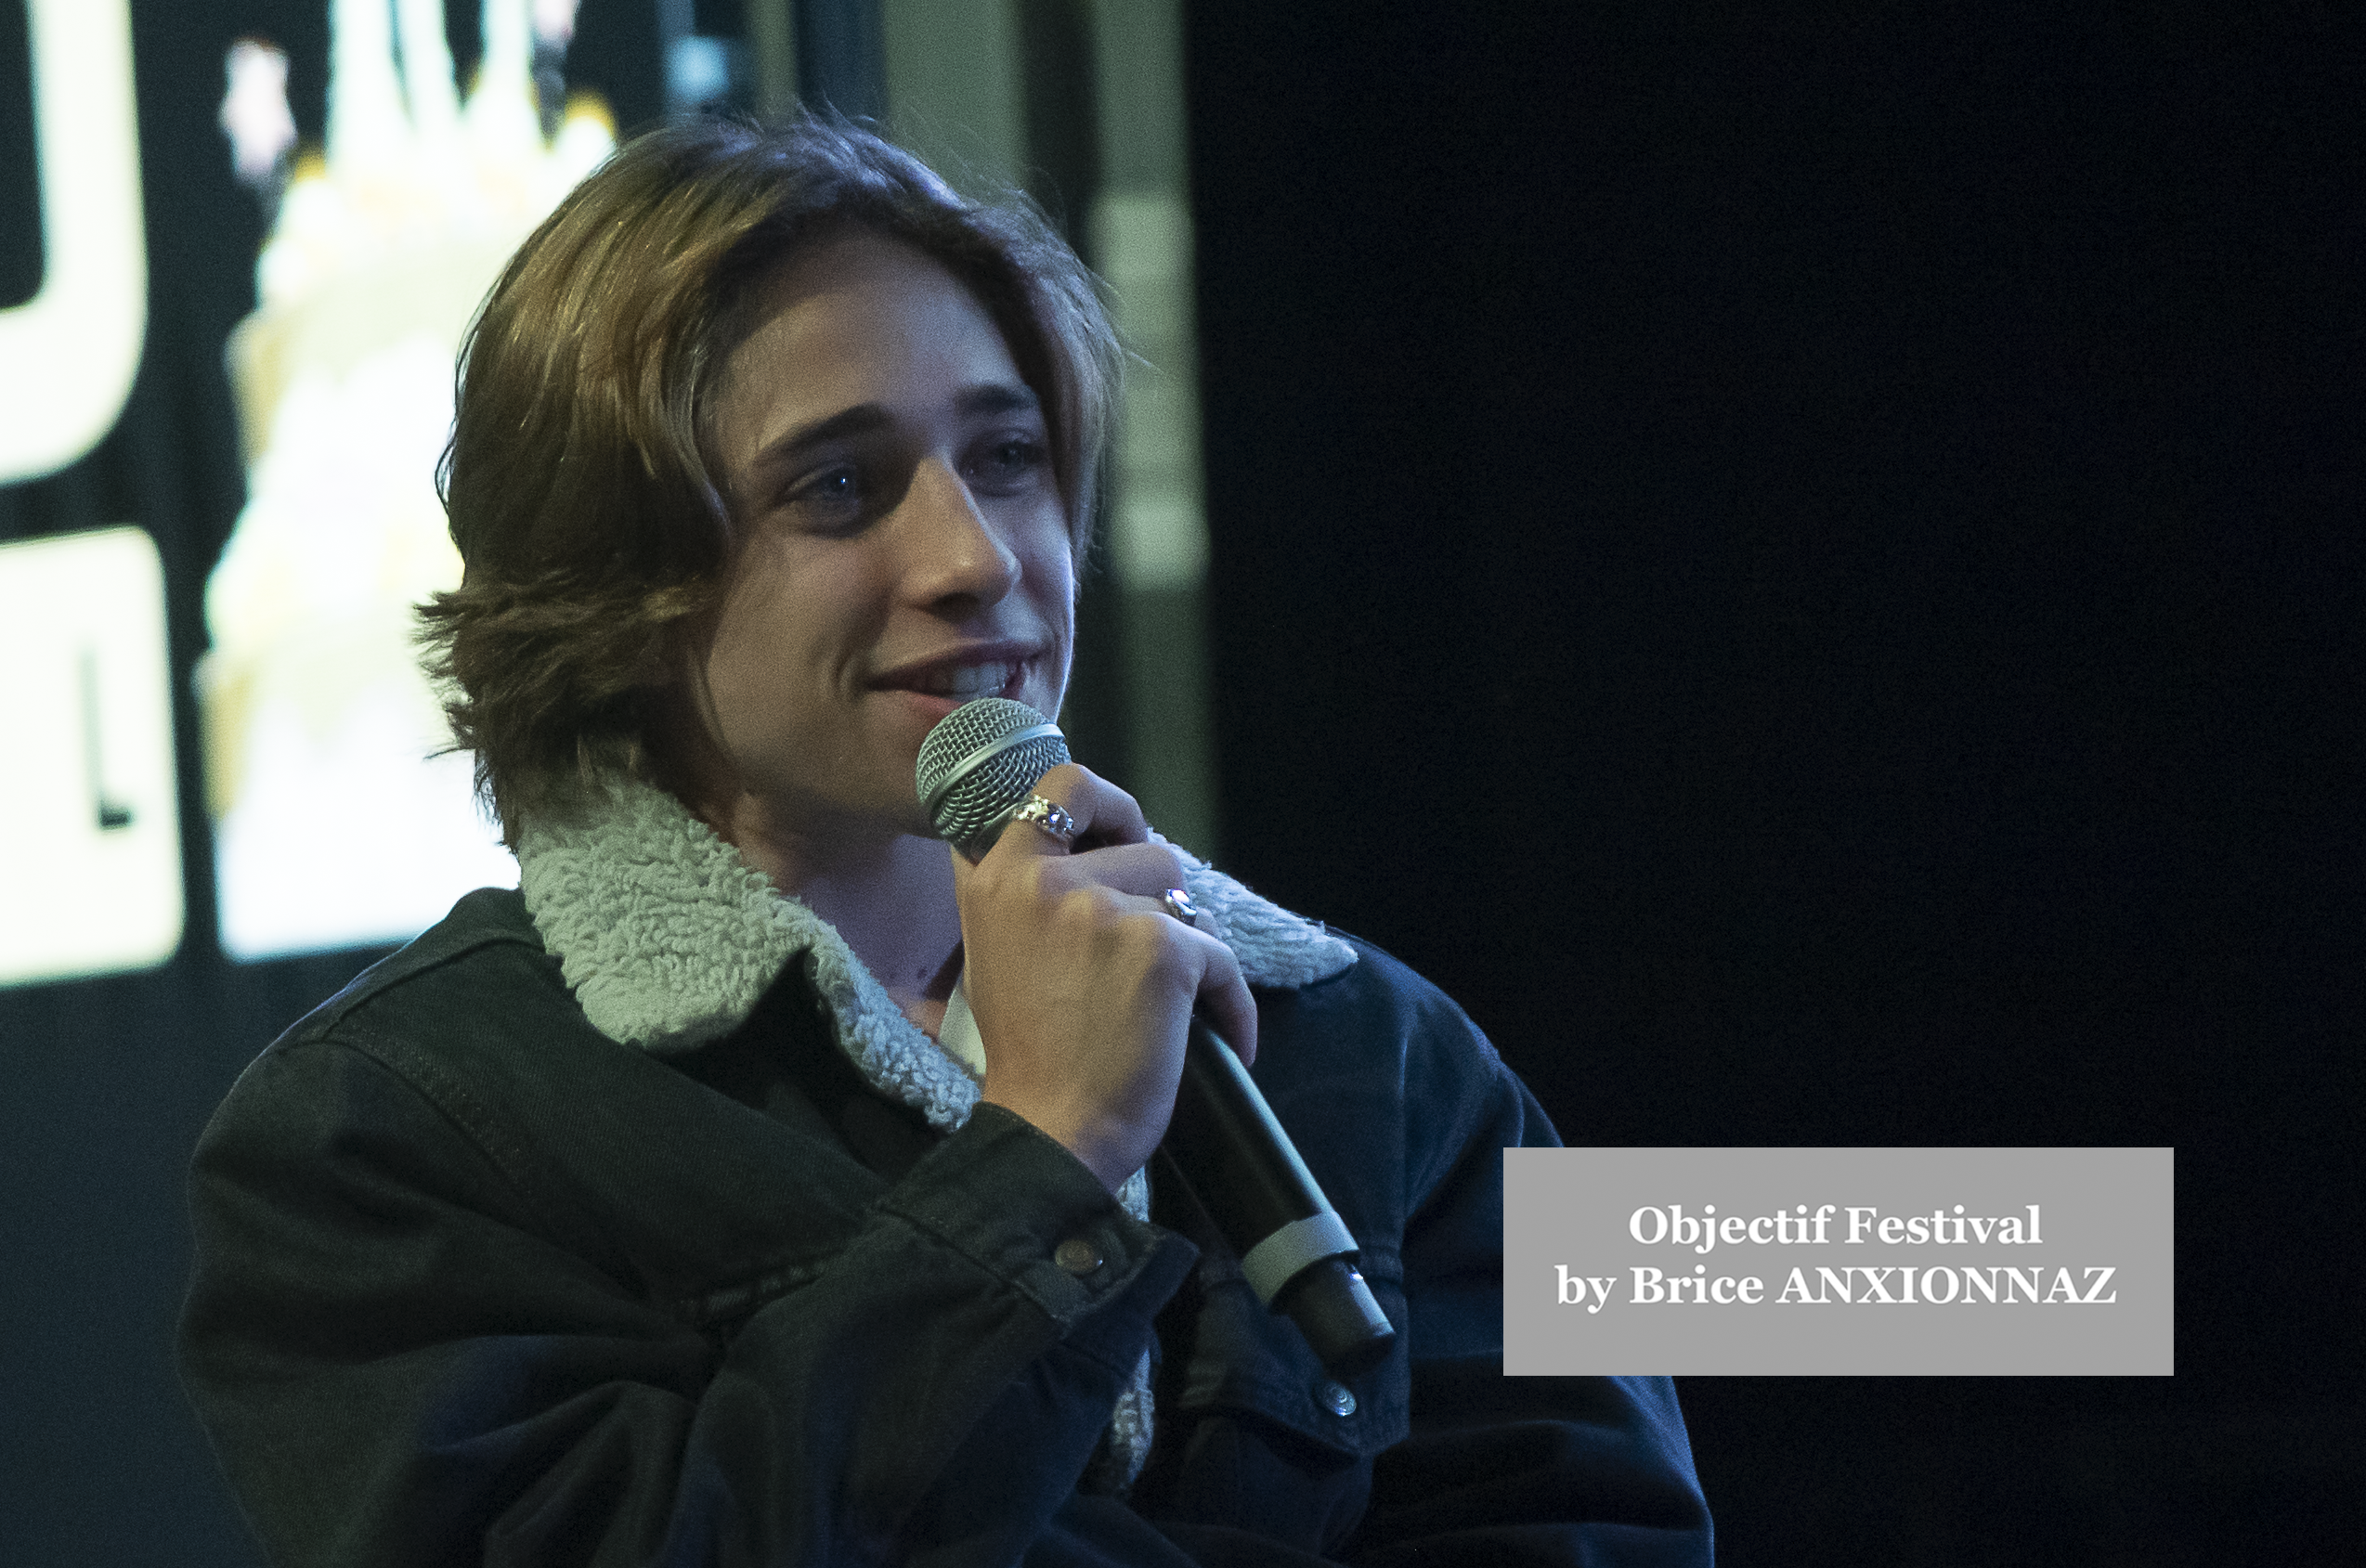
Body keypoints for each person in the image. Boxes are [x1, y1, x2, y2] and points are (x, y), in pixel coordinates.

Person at [177, 117, 1713, 1565]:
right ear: (611, 579)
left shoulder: (1360, 1043)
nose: (978, 559)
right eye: (841, 488)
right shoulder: (386, 1137)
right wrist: (1042, 1154)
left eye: (1008, 458)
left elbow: (1596, 1520)